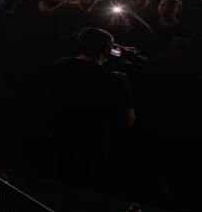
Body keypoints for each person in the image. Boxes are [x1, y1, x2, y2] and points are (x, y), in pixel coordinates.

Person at [46, 28, 135, 191]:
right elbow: (128, 119)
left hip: (59, 132)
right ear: (106, 51)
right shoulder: (114, 80)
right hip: (93, 142)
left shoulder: (59, 65)